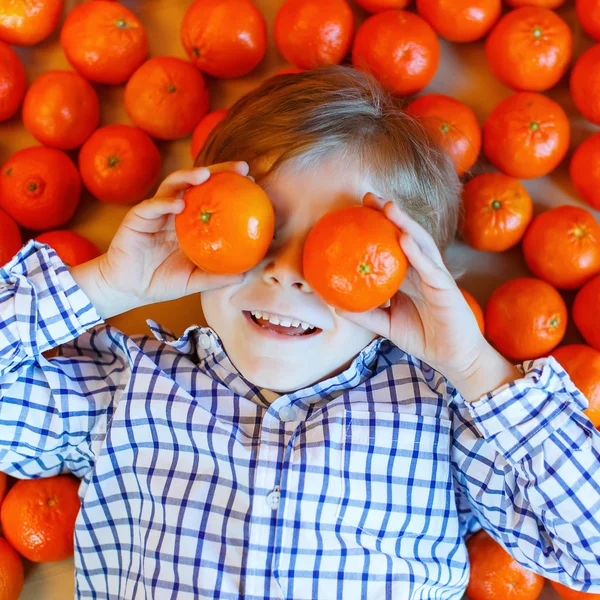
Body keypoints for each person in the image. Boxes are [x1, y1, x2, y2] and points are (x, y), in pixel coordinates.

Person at [0, 66, 598, 600]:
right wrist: (107, 284)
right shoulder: (125, 389)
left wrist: (472, 365)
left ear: (405, 279)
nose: (287, 275)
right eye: (259, 232)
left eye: (336, 252)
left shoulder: (446, 419)